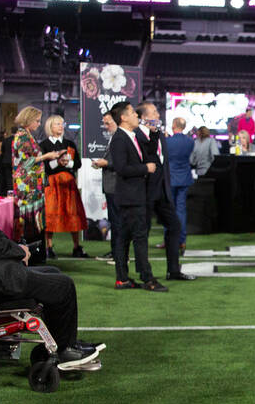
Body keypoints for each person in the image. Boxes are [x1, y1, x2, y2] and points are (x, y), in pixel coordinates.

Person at [0, 145, 101, 370]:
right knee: (62, 285)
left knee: (52, 273)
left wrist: (16, 249)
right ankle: (66, 351)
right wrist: (19, 252)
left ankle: (59, 345)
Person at [107, 102, 165, 292]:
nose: (136, 116)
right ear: (123, 117)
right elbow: (121, 168)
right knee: (138, 238)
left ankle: (122, 278)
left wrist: (155, 133)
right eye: (132, 113)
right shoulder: (119, 139)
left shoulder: (132, 136)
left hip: (134, 195)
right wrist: (144, 169)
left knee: (124, 237)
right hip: (131, 196)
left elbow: (148, 153)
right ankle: (147, 278)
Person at [136, 102, 193, 281]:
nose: (158, 115)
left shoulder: (160, 135)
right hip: (144, 191)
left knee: (174, 226)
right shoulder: (136, 136)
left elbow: (163, 163)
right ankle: (145, 273)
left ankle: (173, 270)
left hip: (163, 190)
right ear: (144, 117)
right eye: (154, 112)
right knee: (142, 232)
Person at [39, 114, 89, 259]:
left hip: (68, 184)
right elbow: (44, 168)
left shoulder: (70, 143)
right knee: (50, 215)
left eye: (62, 124)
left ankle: (76, 246)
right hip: (52, 185)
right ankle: (48, 247)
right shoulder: (44, 145)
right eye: (57, 124)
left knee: (73, 214)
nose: (60, 127)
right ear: (50, 127)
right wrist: (57, 163)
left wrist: (68, 163)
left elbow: (78, 164)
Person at [10, 106, 62, 245]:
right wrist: (46, 156)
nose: (39, 124)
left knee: (33, 218)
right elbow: (24, 163)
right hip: (27, 186)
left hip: (33, 185)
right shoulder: (22, 137)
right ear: (29, 120)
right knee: (28, 219)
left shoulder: (27, 135)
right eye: (37, 121)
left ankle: (35, 248)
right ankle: (28, 249)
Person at [89, 112, 120, 259]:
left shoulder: (120, 138)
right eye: (105, 123)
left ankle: (119, 254)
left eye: (108, 123)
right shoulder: (114, 137)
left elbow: (124, 162)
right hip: (111, 185)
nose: (106, 127)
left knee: (117, 221)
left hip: (116, 185)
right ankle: (115, 252)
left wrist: (105, 163)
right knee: (114, 221)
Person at [165, 116, 195, 254]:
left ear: (173, 125)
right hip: (184, 178)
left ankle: (170, 240)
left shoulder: (167, 141)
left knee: (169, 209)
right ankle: (181, 240)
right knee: (181, 209)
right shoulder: (190, 142)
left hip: (171, 178)